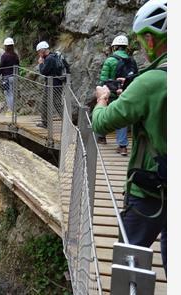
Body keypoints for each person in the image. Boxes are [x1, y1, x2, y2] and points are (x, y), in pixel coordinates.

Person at [92, 0, 167, 273]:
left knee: (130, 258)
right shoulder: (141, 68)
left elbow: (101, 122)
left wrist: (102, 99)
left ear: (150, 38)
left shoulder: (151, 80)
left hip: (152, 189)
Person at [96, 35, 138, 154]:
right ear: (126, 47)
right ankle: (122, 146)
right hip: (126, 93)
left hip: (112, 93)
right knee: (122, 117)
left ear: (114, 47)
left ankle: (102, 137)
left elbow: (103, 79)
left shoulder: (110, 60)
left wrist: (102, 92)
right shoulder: (132, 60)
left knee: (104, 113)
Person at [36, 41, 70, 128]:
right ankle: (67, 122)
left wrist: (40, 64)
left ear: (43, 50)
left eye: (39, 52)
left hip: (51, 85)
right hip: (58, 83)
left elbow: (43, 72)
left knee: (44, 103)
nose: (39, 54)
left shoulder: (49, 59)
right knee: (57, 103)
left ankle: (45, 123)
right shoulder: (55, 56)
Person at [0, 37, 20, 116]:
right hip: (15, 76)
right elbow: (18, 66)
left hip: (7, 78)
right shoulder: (15, 55)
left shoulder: (4, 56)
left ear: (5, 46)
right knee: (12, 93)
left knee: (8, 94)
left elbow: (1, 67)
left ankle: (11, 111)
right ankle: (13, 111)